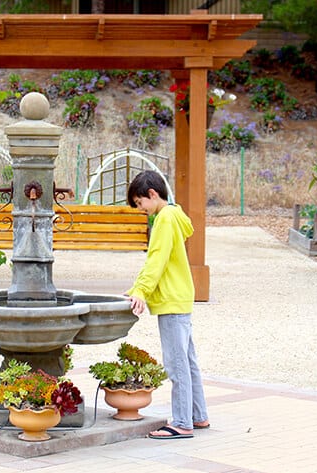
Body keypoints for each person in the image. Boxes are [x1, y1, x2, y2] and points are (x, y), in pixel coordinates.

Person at [125, 170, 209, 439]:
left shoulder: (164, 219)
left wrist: (140, 290)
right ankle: (198, 416)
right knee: (188, 361)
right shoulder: (175, 215)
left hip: (171, 300)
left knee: (176, 364)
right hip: (180, 297)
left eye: (140, 203)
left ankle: (182, 422)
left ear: (152, 194)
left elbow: (156, 259)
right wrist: (138, 289)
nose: (142, 210)